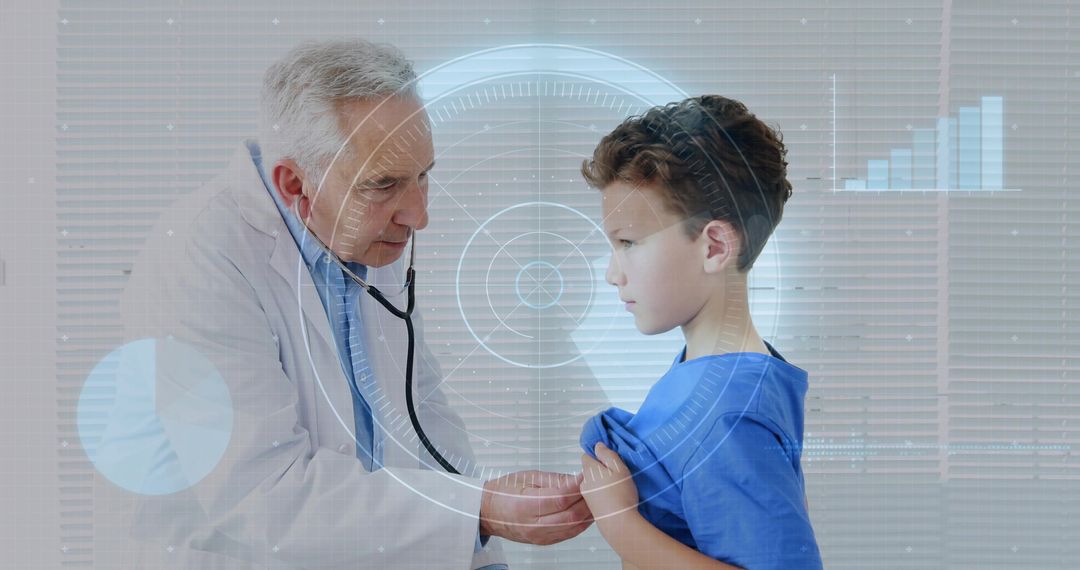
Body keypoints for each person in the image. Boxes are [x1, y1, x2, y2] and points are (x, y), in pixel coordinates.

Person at [107, 39, 591, 569]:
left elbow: (424, 423)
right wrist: (481, 511)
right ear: (296, 183)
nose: (417, 215)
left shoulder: (360, 233)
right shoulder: (200, 259)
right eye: (383, 184)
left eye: (423, 175)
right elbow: (261, 496)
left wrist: (484, 556)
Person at [575, 95, 822, 569]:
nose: (612, 273)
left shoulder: (729, 412)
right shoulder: (715, 376)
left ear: (713, 247)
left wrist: (620, 521)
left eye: (628, 243)